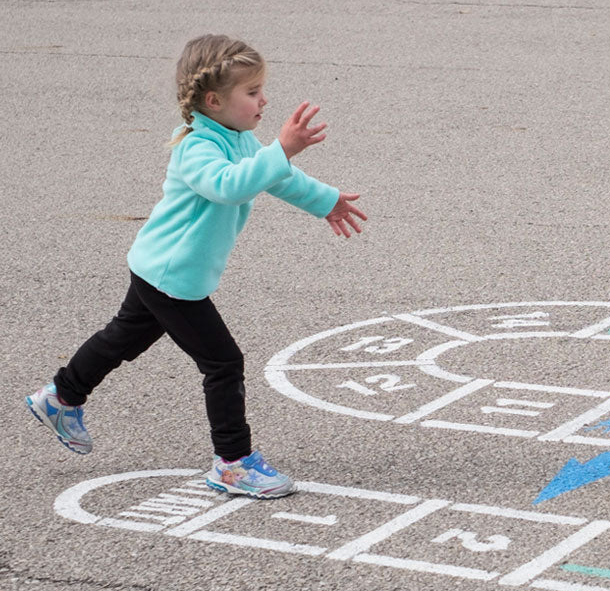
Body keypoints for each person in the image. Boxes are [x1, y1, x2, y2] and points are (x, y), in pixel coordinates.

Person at [26, 34, 366, 498]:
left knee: (123, 337)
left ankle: (60, 396)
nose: (264, 100)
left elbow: (277, 178)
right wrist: (282, 149)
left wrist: (325, 200)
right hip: (172, 277)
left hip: (159, 266)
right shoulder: (197, 147)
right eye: (252, 92)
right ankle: (232, 463)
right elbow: (230, 186)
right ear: (214, 101)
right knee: (223, 362)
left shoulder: (238, 138)